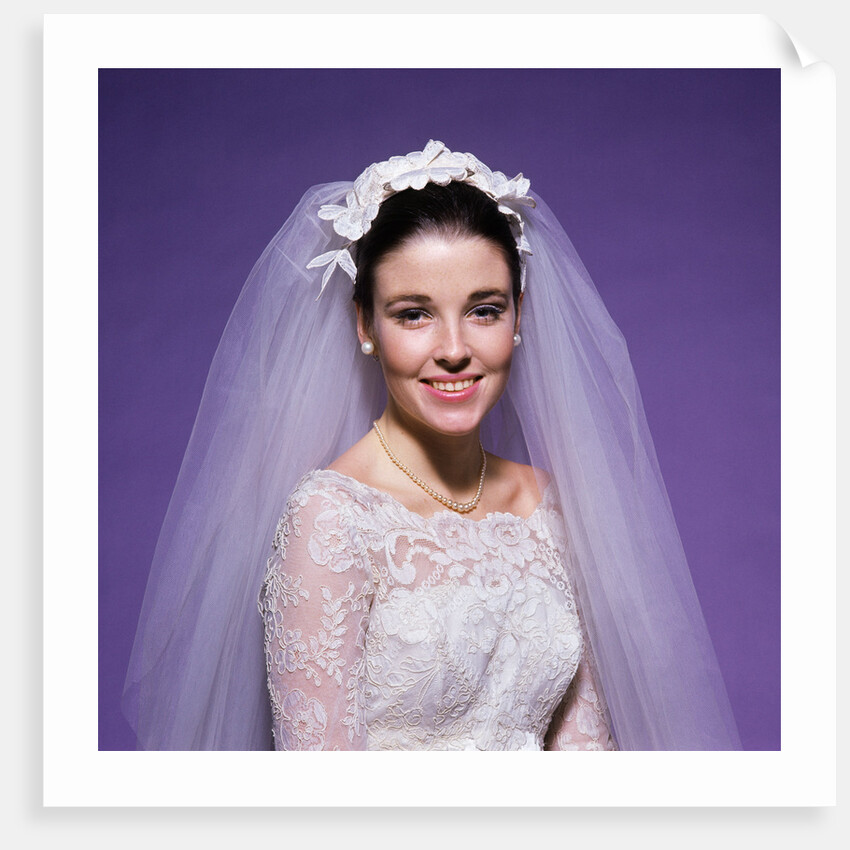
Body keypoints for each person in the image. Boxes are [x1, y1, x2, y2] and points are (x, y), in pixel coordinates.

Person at [123, 141, 741, 751]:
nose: (452, 349)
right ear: (365, 324)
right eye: (414, 314)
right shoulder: (331, 519)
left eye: (484, 310)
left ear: (519, 317)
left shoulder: (552, 507)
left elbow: (587, 752)